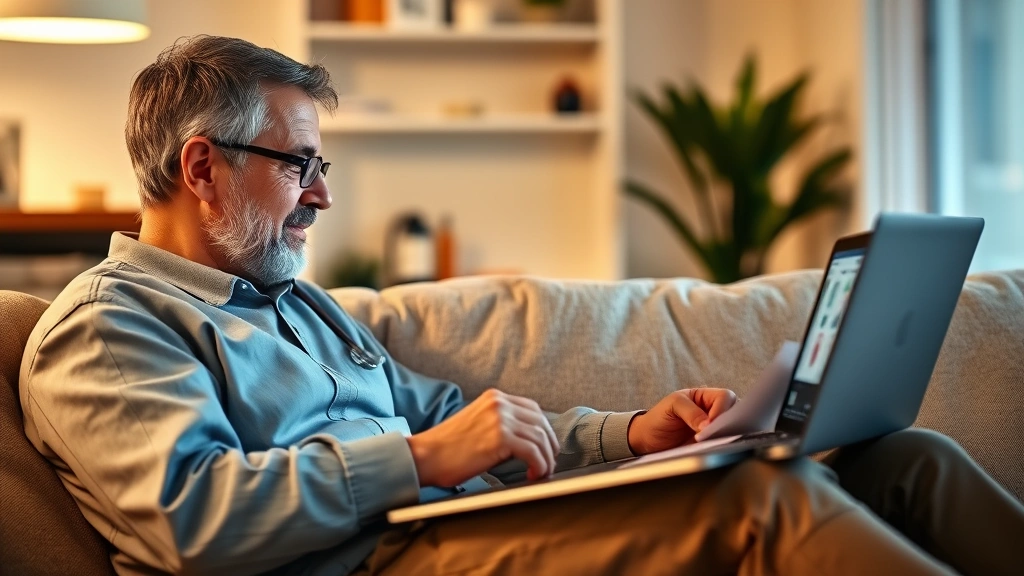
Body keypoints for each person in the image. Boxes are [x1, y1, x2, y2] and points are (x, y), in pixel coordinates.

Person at [19, 35, 1023, 576]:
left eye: (323, 168)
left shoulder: (299, 307)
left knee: (900, 461)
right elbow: (194, 520)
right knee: (760, 504)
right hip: (382, 563)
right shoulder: (108, 328)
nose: (321, 196)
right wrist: (420, 460)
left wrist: (630, 433)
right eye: (299, 165)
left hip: (457, 529)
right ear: (202, 167)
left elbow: (461, 426)